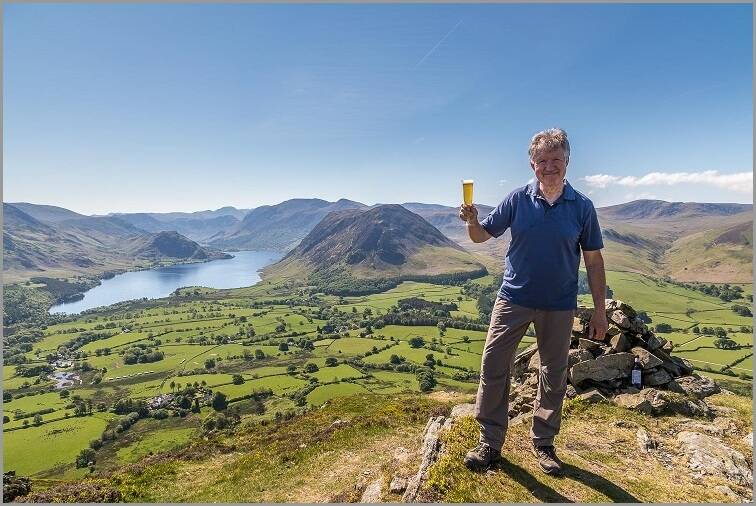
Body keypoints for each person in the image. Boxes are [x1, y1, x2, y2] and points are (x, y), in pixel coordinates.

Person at [458, 127, 608, 475]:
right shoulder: (516, 199)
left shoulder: (582, 207)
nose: (549, 166)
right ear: (532, 163)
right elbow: (481, 237)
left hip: (559, 304)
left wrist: (600, 311)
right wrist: (472, 221)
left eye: (556, 159)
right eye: (542, 160)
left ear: (567, 162)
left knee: (553, 374)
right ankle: (490, 442)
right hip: (513, 297)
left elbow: (594, 261)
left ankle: (543, 444)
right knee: (493, 367)